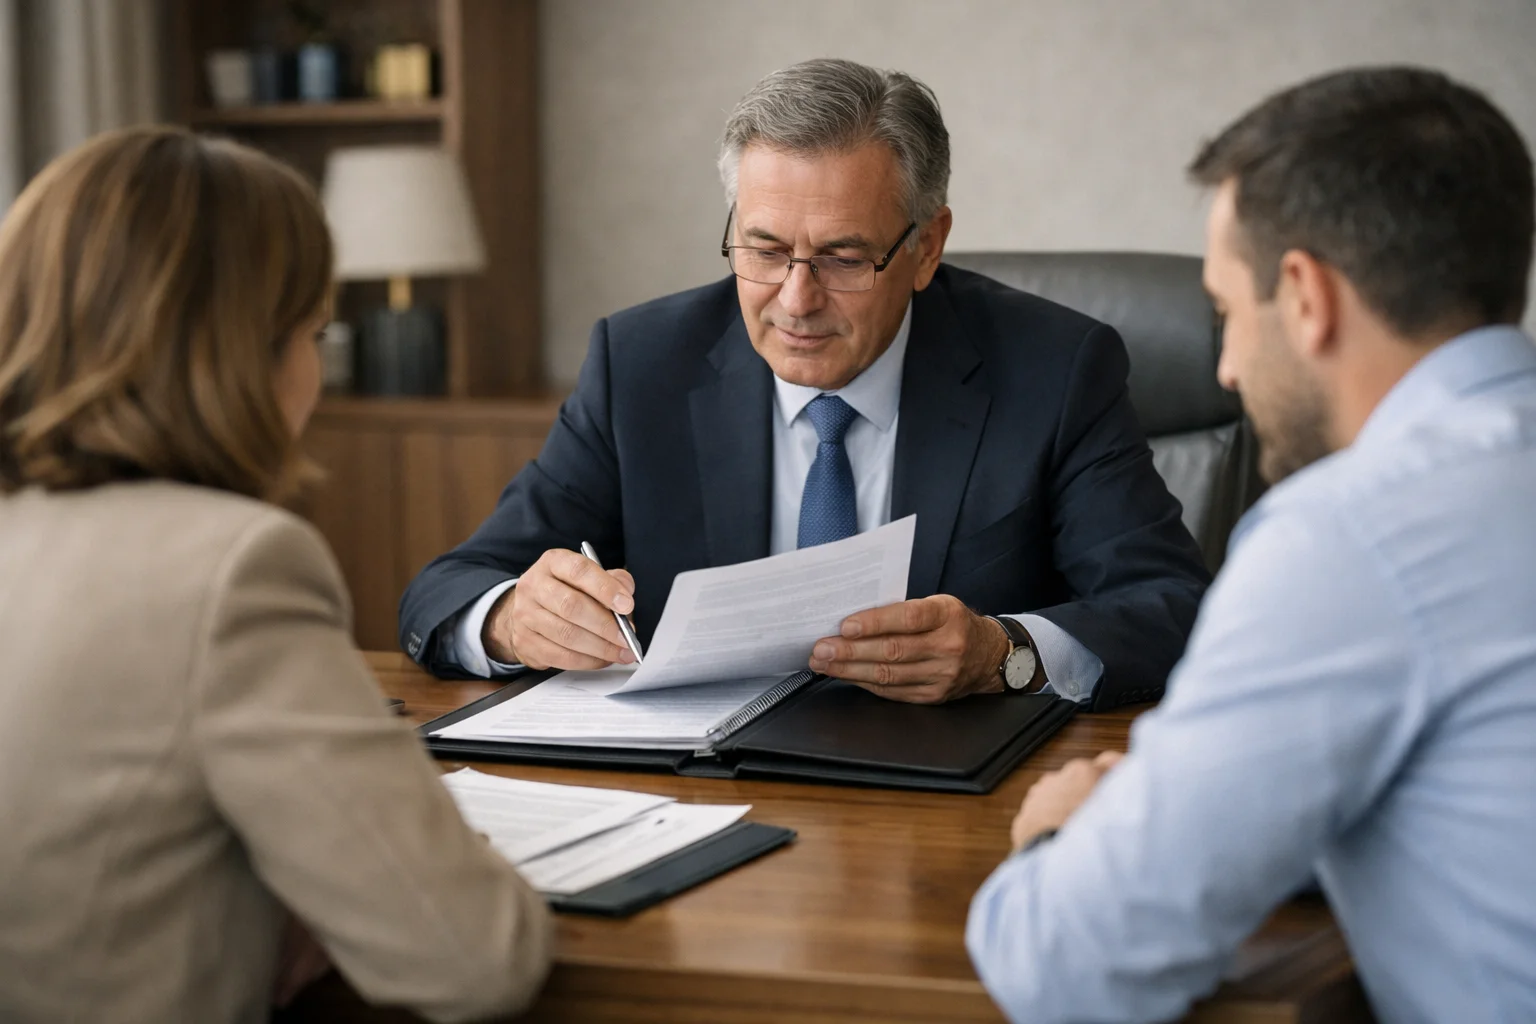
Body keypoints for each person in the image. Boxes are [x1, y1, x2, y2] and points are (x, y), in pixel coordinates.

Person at [966, 66, 1536, 1024]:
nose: (1225, 367)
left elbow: (1068, 966)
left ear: (1306, 296)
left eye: (1227, 311)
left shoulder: (1350, 535)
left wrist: (1061, 837)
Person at [400, 58, 1209, 710]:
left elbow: (1174, 608)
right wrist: (509, 619)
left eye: (844, 257)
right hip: (700, 802)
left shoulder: (1055, 367)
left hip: (943, 807)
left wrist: (1008, 654)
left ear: (927, 247)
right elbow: (449, 587)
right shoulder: (642, 362)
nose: (795, 299)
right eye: (763, 249)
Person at [0, 127, 551, 1023]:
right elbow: (476, 962)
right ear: (242, 353)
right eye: (316, 331)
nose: (317, 375)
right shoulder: (231, 570)